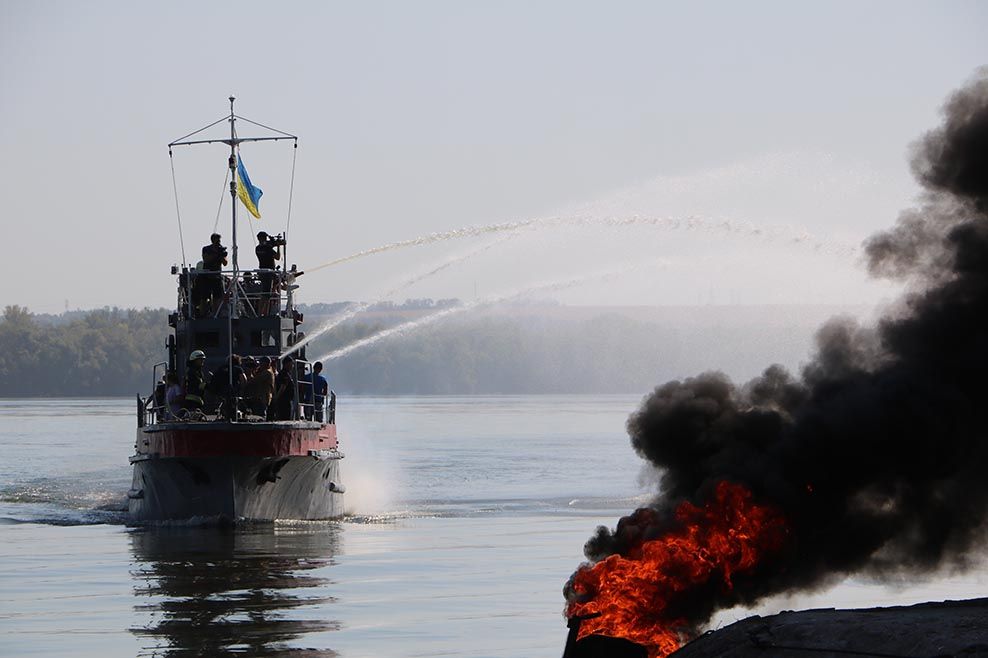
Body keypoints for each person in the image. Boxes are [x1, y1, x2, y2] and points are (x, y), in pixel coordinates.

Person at [201, 233, 228, 315]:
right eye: (217, 240)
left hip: (217, 276)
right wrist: (215, 254)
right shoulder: (206, 249)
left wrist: (221, 255)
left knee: (217, 297)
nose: (219, 242)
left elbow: (225, 263)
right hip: (207, 276)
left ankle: (215, 314)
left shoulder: (221, 250)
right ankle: (203, 314)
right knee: (204, 297)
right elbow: (206, 260)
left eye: (219, 241)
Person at [255, 232, 280, 315]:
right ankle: (262, 313)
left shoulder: (257, 248)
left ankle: (262, 313)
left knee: (266, 294)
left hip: (262, 272)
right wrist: (278, 246)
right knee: (266, 295)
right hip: (268, 273)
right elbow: (277, 257)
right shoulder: (267, 248)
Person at [272, 355, 296, 421]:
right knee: (285, 419)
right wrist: (277, 397)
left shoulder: (282, 373)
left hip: (285, 401)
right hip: (285, 402)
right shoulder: (284, 374)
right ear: (287, 364)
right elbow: (283, 387)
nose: (292, 366)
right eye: (291, 364)